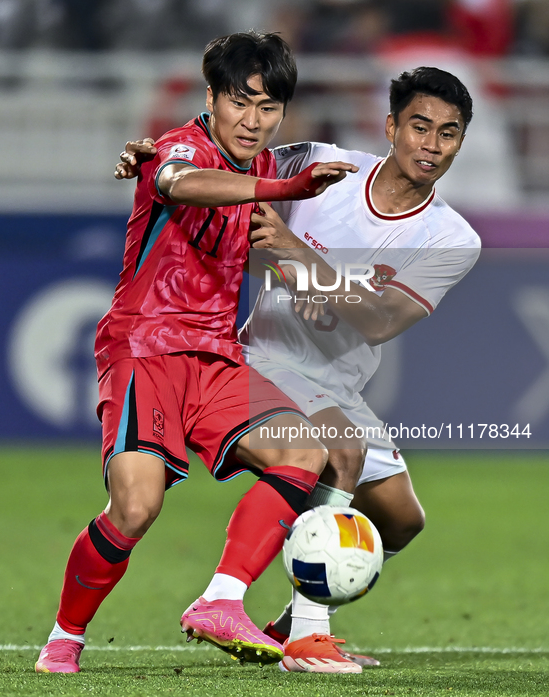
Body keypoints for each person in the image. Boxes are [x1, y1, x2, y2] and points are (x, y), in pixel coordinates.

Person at [115, 66, 481, 675]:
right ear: (390, 127)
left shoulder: (453, 238)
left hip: (339, 380)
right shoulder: (319, 165)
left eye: (448, 133)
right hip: (265, 354)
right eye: (419, 127)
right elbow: (226, 162)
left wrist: (300, 261)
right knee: (342, 451)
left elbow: (382, 319)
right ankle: (309, 635)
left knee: (400, 519)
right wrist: (155, 160)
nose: (431, 145)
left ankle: (290, 620)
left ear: (460, 143)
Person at [34, 30, 355, 675]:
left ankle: (221, 600)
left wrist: (300, 265)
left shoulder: (266, 165)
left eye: (268, 109)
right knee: (136, 506)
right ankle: (64, 637)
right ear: (211, 96)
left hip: (215, 354)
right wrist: (286, 195)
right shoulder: (178, 149)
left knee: (306, 451)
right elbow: (182, 185)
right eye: (240, 102)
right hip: (145, 346)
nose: (253, 121)